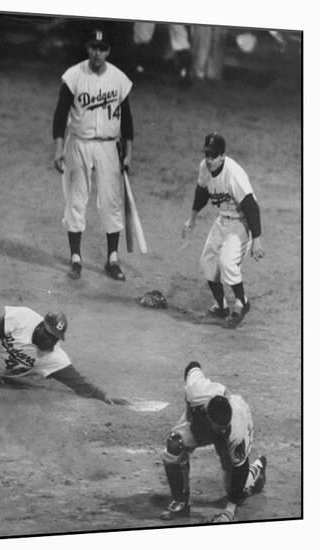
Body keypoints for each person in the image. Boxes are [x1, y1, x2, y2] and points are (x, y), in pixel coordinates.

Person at [53, 28, 134, 282]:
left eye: (102, 48)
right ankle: (75, 258)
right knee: (76, 198)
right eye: (93, 47)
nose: (97, 53)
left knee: (111, 200)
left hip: (109, 146)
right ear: (87, 48)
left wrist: (129, 154)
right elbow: (60, 114)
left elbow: (128, 122)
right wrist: (58, 149)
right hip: (78, 142)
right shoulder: (74, 76)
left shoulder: (119, 79)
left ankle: (112, 259)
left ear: (108, 51)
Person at [0, 306, 128, 404]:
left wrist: (103, 395)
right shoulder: (24, 317)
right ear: (41, 326)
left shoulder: (54, 357)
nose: (51, 342)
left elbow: (78, 382)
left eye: (56, 339)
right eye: (50, 336)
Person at [160, 361, 267, 523]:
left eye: (225, 427)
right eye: (220, 427)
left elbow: (240, 468)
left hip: (231, 429)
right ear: (207, 416)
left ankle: (257, 470)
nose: (223, 430)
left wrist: (229, 512)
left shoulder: (235, 428)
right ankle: (181, 502)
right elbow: (192, 366)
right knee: (175, 444)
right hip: (200, 424)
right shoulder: (196, 391)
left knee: (235, 488)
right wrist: (189, 412)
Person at [182, 133, 265, 328]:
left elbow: (251, 206)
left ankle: (242, 302)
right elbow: (202, 192)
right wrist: (192, 218)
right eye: (207, 155)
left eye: (213, 156)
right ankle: (220, 307)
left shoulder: (233, 174)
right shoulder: (205, 167)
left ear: (222, 156)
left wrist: (257, 239)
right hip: (222, 220)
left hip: (241, 222)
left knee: (227, 262)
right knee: (208, 263)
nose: (209, 159)